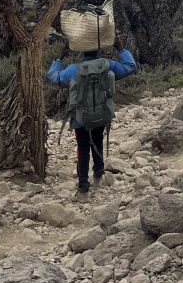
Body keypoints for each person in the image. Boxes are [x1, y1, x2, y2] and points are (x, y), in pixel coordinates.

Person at [46, 37, 136, 195]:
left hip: (81, 118)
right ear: (99, 48)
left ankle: (83, 188)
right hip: (102, 113)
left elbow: (54, 76)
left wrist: (60, 57)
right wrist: (120, 48)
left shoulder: (74, 69)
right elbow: (130, 66)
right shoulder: (108, 65)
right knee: (98, 140)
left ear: (81, 49)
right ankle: (98, 174)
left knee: (82, 148)